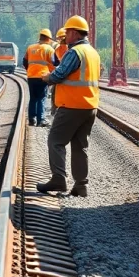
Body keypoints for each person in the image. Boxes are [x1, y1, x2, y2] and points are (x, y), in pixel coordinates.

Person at [38, 16, 99, 197]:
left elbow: (60, 74)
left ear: (74, 33)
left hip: (72, 105)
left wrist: (47, 77)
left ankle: (59, 179)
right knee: (80, 146)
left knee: (55, 141)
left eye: (68, 32)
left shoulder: (75, 52)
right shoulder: (93, 52)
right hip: (90, 106)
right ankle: (81, 185)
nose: (66, 36)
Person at [22, 29, 58, 127]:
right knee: (41, 98)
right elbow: (56, 63)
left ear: (40, 37)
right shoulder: (49, 49)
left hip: (31, 76)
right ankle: (40, 120)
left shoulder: (30, 48)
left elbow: (24, 61)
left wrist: (30, 70)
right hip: (43, 76)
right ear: (48, 39)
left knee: (33, 98)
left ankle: (31, 119)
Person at [50, 28, 66, 116]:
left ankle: (54, 109)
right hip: (62, 74)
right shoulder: (59, 49)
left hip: (61, 74)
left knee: (54, 92)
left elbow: (54, 62)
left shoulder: (59, 49)